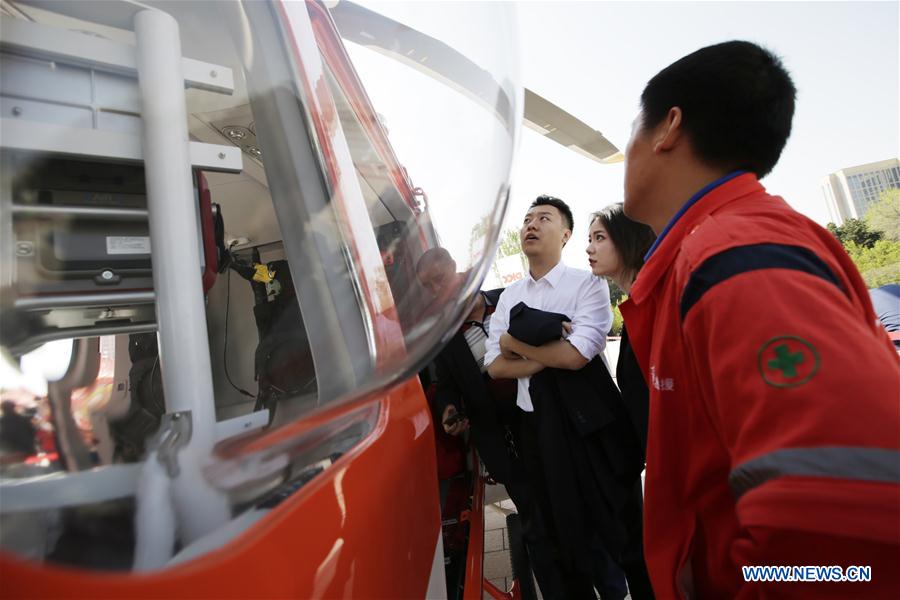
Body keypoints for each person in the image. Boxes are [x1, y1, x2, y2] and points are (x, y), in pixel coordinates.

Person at [619, 40, 900, 598]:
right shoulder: (719, 246)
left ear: (668, 127)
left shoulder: (732, 247)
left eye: (634, 127)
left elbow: (849, 526)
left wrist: (765, 582)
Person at [486, 196, 642, 600]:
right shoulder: (508, 296)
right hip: (536, 430)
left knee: (610, 527)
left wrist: (514, 343)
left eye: (543, 218)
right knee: (559, 533)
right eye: (526, 219)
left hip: (587, 429)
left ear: (565, 234)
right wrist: (541, 352)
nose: (531, 225)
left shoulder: (587, 283)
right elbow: (494, 366)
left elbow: (577, 355)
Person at [416, 247, 541, 600]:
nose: (436, 289)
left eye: (439, 278)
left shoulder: (510, 300)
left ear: (458, 271)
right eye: (428, 286)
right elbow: (447, 385)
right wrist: (448, 410)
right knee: (531, 511)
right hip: (499, 439)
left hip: (542, 425)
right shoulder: (443, 336)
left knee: (562, 496)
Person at [585, 203, 656, 599]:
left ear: (627, 241)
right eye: (589, 240)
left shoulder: (652, 303)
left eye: (599, 238)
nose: (590, 248)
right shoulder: (634, 307)